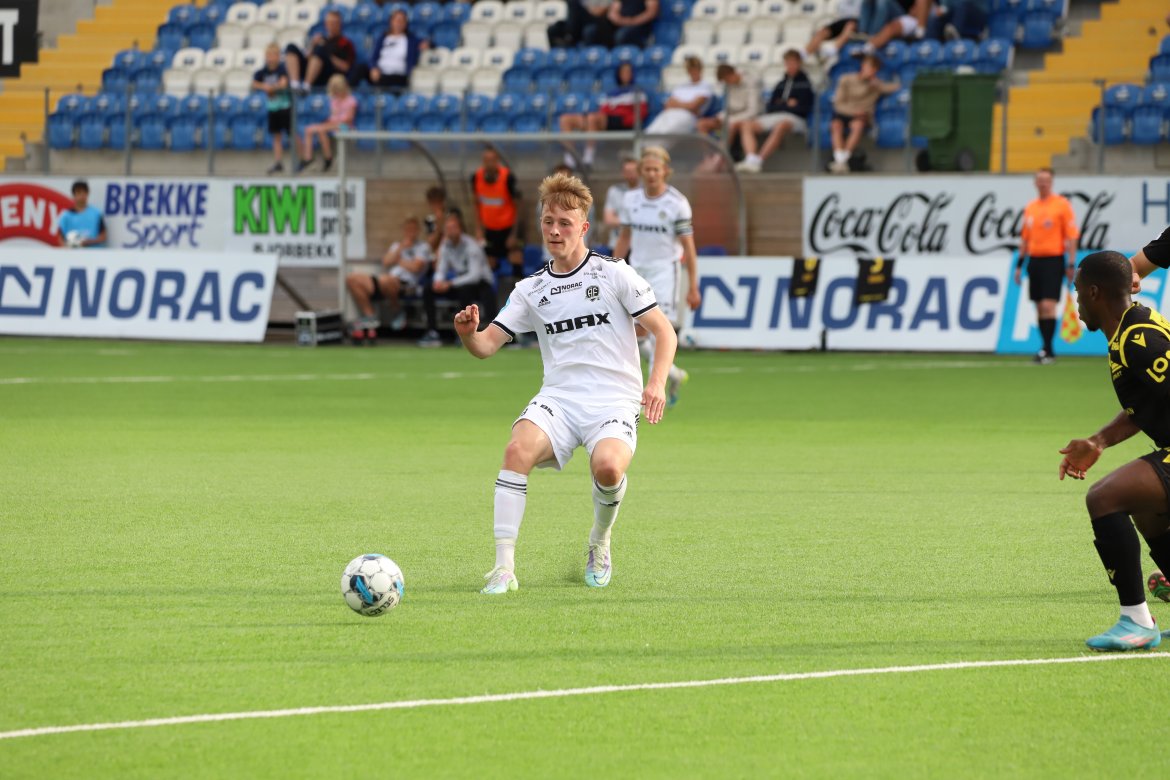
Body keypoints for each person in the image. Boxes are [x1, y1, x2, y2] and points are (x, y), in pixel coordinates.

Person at [451, 172, 678, 594]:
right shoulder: (530, 289)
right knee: (516, 450)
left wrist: (658, 383)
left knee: (608, 468)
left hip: (613, 401)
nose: (554, 230)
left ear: (584, 227)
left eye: (565, 223)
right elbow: (485, 347)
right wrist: (468, 333)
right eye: (547, 221)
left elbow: (665, 332)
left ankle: (599, 541)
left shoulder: (615, 275)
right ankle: (503, 568)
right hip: (559, 399)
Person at [1057, 249, 1170, 651]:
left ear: (1094, 292)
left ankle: (1136, 621)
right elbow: (1148, 405)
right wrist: (1098, 441)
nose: (1076, 302)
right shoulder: (1128, 331)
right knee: (1146, 511)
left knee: (1105, 497)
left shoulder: (1139, 340)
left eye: (1077, 292)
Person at [612, 146, 699, 407]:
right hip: (636, 271)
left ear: (665, 172)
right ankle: (674, 374)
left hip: (666, 273)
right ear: (640, 171)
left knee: (660, 332)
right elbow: (625, 237)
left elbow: (689, 247)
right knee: (634, 335)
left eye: (656, 170)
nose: (651, 174)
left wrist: (693, 285)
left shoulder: (677, 203)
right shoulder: (631, 200)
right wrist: (611, 268)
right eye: (647, 169)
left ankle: (651, 395)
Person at [1012, 167, 1078, 364]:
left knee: (1049, 304)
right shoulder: (1031, 207)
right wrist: (1019, 264)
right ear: (1035, 182)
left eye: (1046, 180)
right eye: (1040, 180)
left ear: (1052, 182)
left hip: (1053, 260)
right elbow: (1025, 239)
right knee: (1039, 307)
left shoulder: (1061, 205)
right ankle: (1045, 348)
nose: (1043, 183)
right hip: (1035, 261)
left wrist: (1071, 263)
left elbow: (1072, 236)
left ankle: (1048, 350)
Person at [345, 215, 434, 340]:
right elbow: (386, 261)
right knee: (352, 279)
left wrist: (398, 260)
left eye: (413, 230)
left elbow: (416, 267)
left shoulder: (423, 247)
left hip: (408, 285)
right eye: (408, 230)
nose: (410, 232)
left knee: (389, 280)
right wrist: (401, 248)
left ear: (418, 231)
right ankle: (370, 316)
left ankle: (397, 310)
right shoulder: (397, 246)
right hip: (386, 280)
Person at [419, 210, 494, 347]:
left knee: (465, 290)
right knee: (428, 288)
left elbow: (474, 276)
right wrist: (438, 282)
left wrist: (450, 283)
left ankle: (463, 335)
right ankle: (432, 332)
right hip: (459, 282)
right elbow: (441, 269)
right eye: (447, 228)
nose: (450, 231)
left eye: (453, 227)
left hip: (480, 284)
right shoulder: (446, 246)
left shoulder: (472, 246)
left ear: (460, 229)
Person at [735, 50, 814, 174]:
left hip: (795, 119)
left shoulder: (805, 85)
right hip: (775, 115)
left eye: (793, 63)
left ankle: (759, 161)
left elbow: (803, 109)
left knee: (781, 125)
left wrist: (782, 104)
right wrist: (787, 104)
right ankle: (751, 158)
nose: (790, 66)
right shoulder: (780, 84)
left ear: (799, 63)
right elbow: (771, 106)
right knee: (746, 124)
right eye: (788, 63)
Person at [559, 62, 647, 170]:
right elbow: (603, 109)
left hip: (622, 122)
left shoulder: (638, 92)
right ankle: (569, 161)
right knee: (566, 119)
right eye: (622, 72)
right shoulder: (612, 93)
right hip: (605, 119)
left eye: (628, 72)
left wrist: (624, 119)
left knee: (592, 118)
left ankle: (588, 159)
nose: (625, 74)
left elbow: (641, 113)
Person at [829, 53, 899, 173]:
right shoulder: (846, 79)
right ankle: (841, 162)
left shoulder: (876, 85)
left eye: (874, 70)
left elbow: (897, 87)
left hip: (862, 116)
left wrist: (878, 85)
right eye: (869, 68)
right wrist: (853, 112)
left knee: (857, 126)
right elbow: (838, 104)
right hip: (845, 112)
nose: (871, 72)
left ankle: (840, 162)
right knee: (835, 125)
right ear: (863, 66)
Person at [470, 147, 525, 273]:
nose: (489, 164)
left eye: (492, 160)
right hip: (489, 230)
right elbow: (475, 203)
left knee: (516, 258)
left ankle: (518, 290)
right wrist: (478, 228)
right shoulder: (476, 178)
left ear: (497, 161)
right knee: (489, 264)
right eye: (486, 160)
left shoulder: (508, 178)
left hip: (509, 229)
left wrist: (514, 234)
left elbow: (520, 206)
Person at [296, 74, 356, 173]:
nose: (336, 92)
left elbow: (348, 119)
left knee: (321, 129)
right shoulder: (334, 100)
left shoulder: (351, 100)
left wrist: (332, 123)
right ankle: (309, 159)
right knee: (309, 129)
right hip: (332, 125)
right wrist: (328, 122)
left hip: (345, 126)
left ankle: (328, 159)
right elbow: (331, 116)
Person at [285, 10, 356, 92]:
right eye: (329, 23)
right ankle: (295, 84)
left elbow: (346, 67)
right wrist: (312, 46)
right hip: (312, 69)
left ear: (340, 24)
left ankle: (306, 86)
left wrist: (327, 55)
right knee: (291, 47)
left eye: (334, 23)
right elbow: (308, 57)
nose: (331, 26)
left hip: (330, 74)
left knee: (320, 50)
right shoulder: (321, 39)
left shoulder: (345, 43)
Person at [644, 56, 715, 136]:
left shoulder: (705, 86)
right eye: (690, 69)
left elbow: (693, 106)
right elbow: (668, 105)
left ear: (700, 69)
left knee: (667, 132)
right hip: (669, 113)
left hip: (687, 117)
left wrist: (677, 104)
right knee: (651, 130)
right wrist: (687, 105)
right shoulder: (682, 86)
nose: (693, 72)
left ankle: (653, 147)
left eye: (695, 69)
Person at [358, 9, 426, 91]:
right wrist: (373, 68)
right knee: (360, 68)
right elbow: (373, 57)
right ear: (391, 22)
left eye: (402, 21)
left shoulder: (411, 39)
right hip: (380, 73)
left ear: (406, 23)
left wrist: (426, 44)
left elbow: (429, 43)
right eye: (397, 20)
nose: (399, 23)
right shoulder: (383, 38)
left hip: (399, 75)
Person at [252, 43, 292, 175]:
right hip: (273, 107)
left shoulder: (282, 69)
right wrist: (266, 87)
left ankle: (301, 159)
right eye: (268, 55)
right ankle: (278, 162)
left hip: (285, 107)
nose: (271, 58)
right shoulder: (263, 71)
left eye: (274, 55)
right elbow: (254, 83)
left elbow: (283, 83)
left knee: (292, 134)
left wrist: (271, 88)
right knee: (276, 136)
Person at [697, 63, 761, 140]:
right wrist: (720, 116)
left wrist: (730, 119)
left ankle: (720, 151)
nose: (727, 83)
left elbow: (752, 111)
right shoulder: (728, 85)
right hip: (731, 118)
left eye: (727, 80)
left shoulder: (752, 83)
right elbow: (728, 109)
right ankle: (707, 151)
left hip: (749, 119)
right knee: (701, 124)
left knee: (730, 126)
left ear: (732, 74)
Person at [860, 0, 935, 53]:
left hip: (923, 21)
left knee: (893, 26)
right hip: (907, 17)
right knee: (891, 26)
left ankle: (871, 43)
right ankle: (868, 43)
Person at [57, 180, 107, 248]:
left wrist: (88, 242)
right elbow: (60, 237)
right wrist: (67, 249)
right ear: (73, 195)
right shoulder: (66, 216)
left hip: (93, 254)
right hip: (73, 255)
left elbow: (103, 236)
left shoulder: (96, 213)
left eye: (84, 192)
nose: (82, 195)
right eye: (79, 192)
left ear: (87, 194)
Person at [603, 156, 639, 249]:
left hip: (638, 246)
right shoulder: (614, 191)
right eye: (627, 172)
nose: (630, 175)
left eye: (633, 171)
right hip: (616, 243)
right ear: (623, 173)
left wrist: (620, 221)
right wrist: (634, 222)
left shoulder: (646, 192)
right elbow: (609, 219)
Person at [549, 0, 615, 48]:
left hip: (599, 21)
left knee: (573, 3)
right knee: (553, 29)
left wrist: (587, 8)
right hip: (580, 21)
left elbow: (600, 12)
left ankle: (570, 36)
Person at [423, 185, 448, 254]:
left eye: (439, 202)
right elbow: (430, 243)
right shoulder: (429, 220)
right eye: (434, 203)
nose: (437, 206)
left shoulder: (451, 215)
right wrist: (438, 226)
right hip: (436, 252)